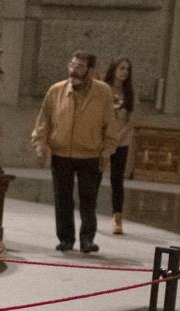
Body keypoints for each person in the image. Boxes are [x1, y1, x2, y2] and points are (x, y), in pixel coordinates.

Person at [31, 50, 119, 253]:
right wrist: (40, 146)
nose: (73, 70)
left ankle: (87, 239)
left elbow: (110, 125)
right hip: (61, 154)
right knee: (63, 199)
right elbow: (44, 121)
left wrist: (107, 151)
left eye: (79, 67)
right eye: (71, 65)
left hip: (90, 154)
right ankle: (66, 239)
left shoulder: (103, 92)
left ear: (90, 70)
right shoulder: (56, 91)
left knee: (88, 200)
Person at [104, 57, 134, 235]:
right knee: (95, 176)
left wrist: (119, 135)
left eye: (127, 69)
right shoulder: (104, 89)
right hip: (103, 139)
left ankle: (117, 217)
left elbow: (131, 119)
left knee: (117, 179)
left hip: (121, 140)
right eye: (121, 68)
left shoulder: (128, 92)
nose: (124, 72)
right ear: (114, 69)